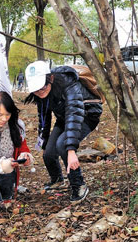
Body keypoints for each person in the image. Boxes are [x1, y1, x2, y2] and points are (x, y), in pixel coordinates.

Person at [24, 60, 103, 203]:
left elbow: (74, 112)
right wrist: (43, 143)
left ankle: (78, 185)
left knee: (63, 145)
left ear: (51, 78)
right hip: (64, 117)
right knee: (49, 152)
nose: (40, 93)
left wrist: (71, 150)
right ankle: (57, 179)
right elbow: (44, 117)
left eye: (43, 87)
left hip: (86, 115)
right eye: (36, 90)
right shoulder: (41, 93)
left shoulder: (67, 82)